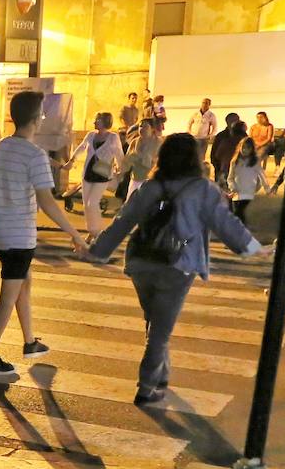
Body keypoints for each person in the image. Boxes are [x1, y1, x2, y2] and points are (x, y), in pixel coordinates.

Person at [88, 133, 269, 405]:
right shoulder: (203, 189)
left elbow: (123, 221)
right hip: (178, 265)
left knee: (155, 322)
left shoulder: (150, 186)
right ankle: (147, 386)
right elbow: (224, 223)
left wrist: (98, 250)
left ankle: (161, 377)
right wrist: (253, 247)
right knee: (160, 331)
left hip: (142, 263)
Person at [0, 90, 89, 380]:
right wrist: (75, 233)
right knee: (8, 294)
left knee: (24, 282)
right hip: (19, 236)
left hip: (0, 231)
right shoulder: (34, 155)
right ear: (36, 118)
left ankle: (30, 341)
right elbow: (47, 202)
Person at [67, 111, 125, 239]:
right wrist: (72, 160)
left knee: (92, 203)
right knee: (86, 205)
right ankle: (92, 232)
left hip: (102, 175)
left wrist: (121, 170)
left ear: (105, 122)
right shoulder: (91, 135)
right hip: (88, 174)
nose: (94, 122)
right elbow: (81, 147)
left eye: (97, 120)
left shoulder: (113, 137)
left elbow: (119, 155)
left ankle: (97, 232)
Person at [227, 137, 268, 224]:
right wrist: (232, 187)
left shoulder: (255, 162)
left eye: (248, 148)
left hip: (248, 193)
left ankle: (241, 233)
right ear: (240, 147)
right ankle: (239, 233)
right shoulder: (234, 162)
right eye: (243, 147)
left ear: (252, 149)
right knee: (236, 214)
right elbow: (230, 178)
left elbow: (262, 177)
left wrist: (265, 188)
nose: (245, 150)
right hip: (236, 193)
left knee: (239, 212)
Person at [125, 118, 162, 198]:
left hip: (150, 180)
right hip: (135, 177)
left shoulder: (158, 142)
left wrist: (144, 158)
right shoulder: (135, 142)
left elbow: (160, 162)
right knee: (130, 203)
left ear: (152, 129)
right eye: (140, 126)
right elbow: (127, 160)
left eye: (145, 127)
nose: (142, 129)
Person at [209, 113, 245, 186]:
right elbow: (214, 153)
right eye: (234, 120)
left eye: (237, 120)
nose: (237, 122)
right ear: (228, 122)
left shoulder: (243, 135)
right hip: (222, 167)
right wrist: (216, 165)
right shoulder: (221, 136)